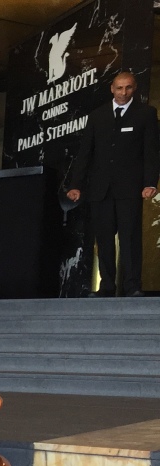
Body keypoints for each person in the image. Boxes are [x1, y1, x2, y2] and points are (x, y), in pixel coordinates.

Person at [66, 71, 160, 297]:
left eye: (128, 88)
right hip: (100, 189)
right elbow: (85, 153)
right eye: (119, 88)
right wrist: (75, 184)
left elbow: (151, 152)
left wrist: (150, 182)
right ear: (112, 89)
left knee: (130, 239)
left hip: (130, 187)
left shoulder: (146, 114)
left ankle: (132, 286)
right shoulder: (97, 116)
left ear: (134, 88)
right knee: (104, 239)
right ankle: (107, 286)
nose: (123, 92)